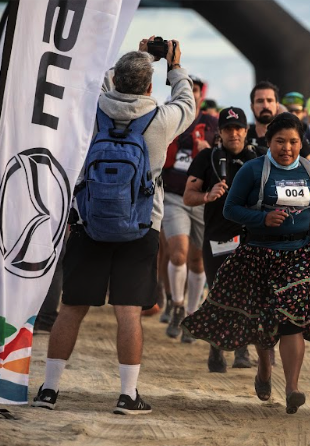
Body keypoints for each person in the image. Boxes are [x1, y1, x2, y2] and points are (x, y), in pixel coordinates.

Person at [32, 40, 196, 414]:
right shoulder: (161, 118)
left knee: (71, 307)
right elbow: (187, 101)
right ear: (150, 87)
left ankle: (49, 390)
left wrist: (134, 58)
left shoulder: (93, 109)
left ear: (117, 79)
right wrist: (174, 66)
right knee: (128, 312)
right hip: (141, 227)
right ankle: (127, 395)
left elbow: (97, 83)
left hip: (89, 221)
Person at [182, 112, 310, 415]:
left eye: (293, 142)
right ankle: (263, 368)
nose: (287, 148)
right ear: (268, 141)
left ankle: (292, 388)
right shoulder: (252, 170)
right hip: (259, 254)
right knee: (265, 322)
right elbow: (231, 210)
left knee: (293, 323)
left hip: (297, 256)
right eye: (279, 142)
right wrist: (263, 218)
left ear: (302, 143)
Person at [183, 106, 260, 372]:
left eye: (238, 128)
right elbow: (187, 196)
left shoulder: (259, 157)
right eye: (228, 129)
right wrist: (207, 195)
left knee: (247, 292)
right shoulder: (208, 157)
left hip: (250, 236)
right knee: (218, 293)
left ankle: (241, 349)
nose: (234, 134)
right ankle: (216, 347)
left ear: (246, 131)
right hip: (218, 236)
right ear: (220, 132)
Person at [161, 74, 219, 342]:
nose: (190, 92)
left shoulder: (212, 124)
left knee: (198, 261)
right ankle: (177, 304)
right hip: (174, 196)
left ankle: (192, 315)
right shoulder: (168, 117)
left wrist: (210, 151)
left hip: (203, 199)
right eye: (186, 88)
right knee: (178, 253)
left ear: (201, 94)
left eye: (195, 89)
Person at [246, 81, 280, 154]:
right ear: (252, 107)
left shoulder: (291, 136)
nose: (265, 106)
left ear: (277, 106)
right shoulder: (244, 138)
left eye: (269, 100)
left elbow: (309, 161)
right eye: (260, 101)